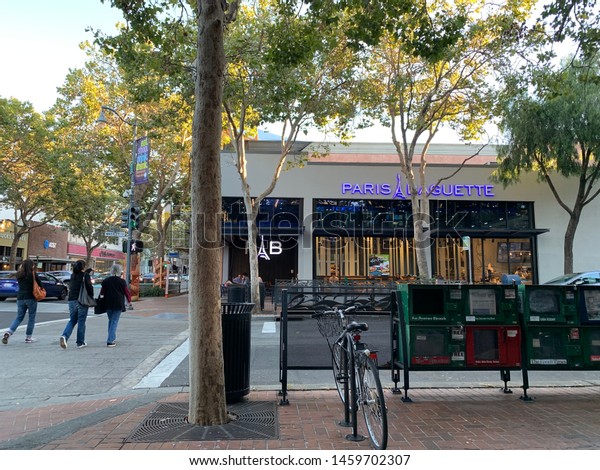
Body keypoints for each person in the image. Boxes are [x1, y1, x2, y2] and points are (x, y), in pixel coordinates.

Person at [2, 259, 43, 344]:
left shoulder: (19, 274)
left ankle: (9, 332)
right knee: (31, 317)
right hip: (31, 298)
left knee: (19, 317)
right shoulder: (33, 274)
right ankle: (28, 337)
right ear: (31, 266)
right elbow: (40, 284)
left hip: (20, 297)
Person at [59, 260, 94, 349]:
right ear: (83, 267)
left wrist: (86, 272)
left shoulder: (72, 275)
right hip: (81, 300)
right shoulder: (85, 276)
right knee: (81, 322)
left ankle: (64, 336)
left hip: (71, 300)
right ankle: (80, 342)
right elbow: (89, 287)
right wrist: (91, 297)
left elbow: (80, 277)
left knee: (72, 320)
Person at [99, 263, 131, 348]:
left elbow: (102, 292)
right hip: (118, 303)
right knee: (114, 321)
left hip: (108, 303)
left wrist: (100, 300)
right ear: (119, 271)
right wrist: (129, 301)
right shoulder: (122, 281)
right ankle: (110, 340)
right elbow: (126, 292)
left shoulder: (106, 280)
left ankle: (111, 337)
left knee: (111, 320)